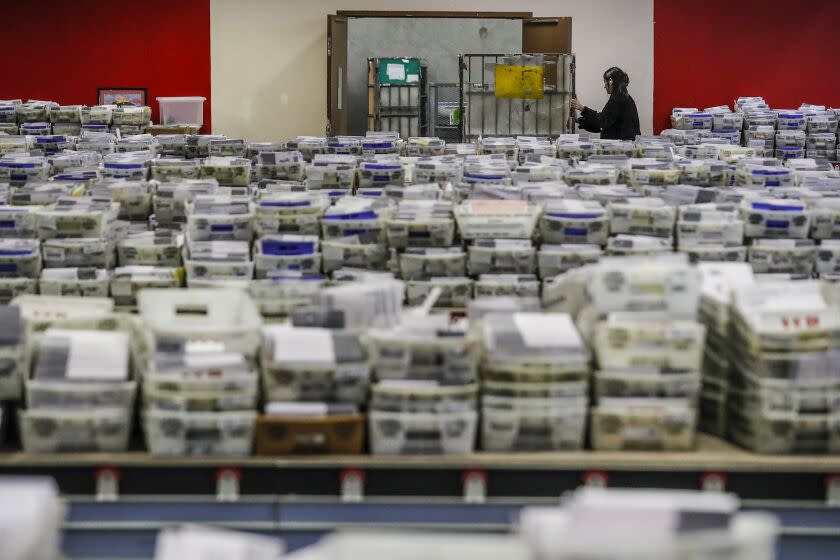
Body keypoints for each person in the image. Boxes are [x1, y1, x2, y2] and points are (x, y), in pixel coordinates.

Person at [570, 67, 640, 141]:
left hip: (622, 146)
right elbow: (604, 123)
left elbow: (603, 121)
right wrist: (579, 120)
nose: (604, 86)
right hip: (624, 144)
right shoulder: (622, 96)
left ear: (611, 82)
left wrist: (581, 108)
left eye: (605, 82)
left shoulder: (618, 99)